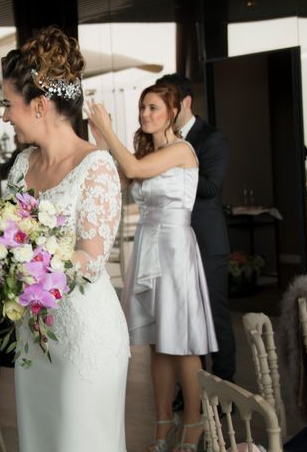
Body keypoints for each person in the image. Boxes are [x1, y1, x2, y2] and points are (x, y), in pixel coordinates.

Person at [1, 26, 130, 451]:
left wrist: (37, 270)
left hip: (83, 337)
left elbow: (91, 259)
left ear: (39, 106)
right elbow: (8, 235)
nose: (4, 115)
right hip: (35, 336)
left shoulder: (96, 167)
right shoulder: (21, 166)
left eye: (8, 104)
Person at [87, 83, 218, 452]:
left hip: (174, 249)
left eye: (153, 108)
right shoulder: (149, 153)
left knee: (183, 343)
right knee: (158, 345)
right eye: (143, 107)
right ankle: (163, 426)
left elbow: (132, 166)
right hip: (148, 246)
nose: (145, 114)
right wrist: (100, 136)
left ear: (172, 112)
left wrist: (109, 130)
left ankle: (193, 424)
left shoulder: (181, 151)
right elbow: (118, 177)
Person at [157, 73, 235, 400]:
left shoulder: (211, 139)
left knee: (214, 318)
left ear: (185, 103)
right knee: (184, 321)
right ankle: (191, 393)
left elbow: (211, 188)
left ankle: (226, 394)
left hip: (206, 240)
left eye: (170, 103)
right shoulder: (160, 141)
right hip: (174, 244)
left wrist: (171, 165)